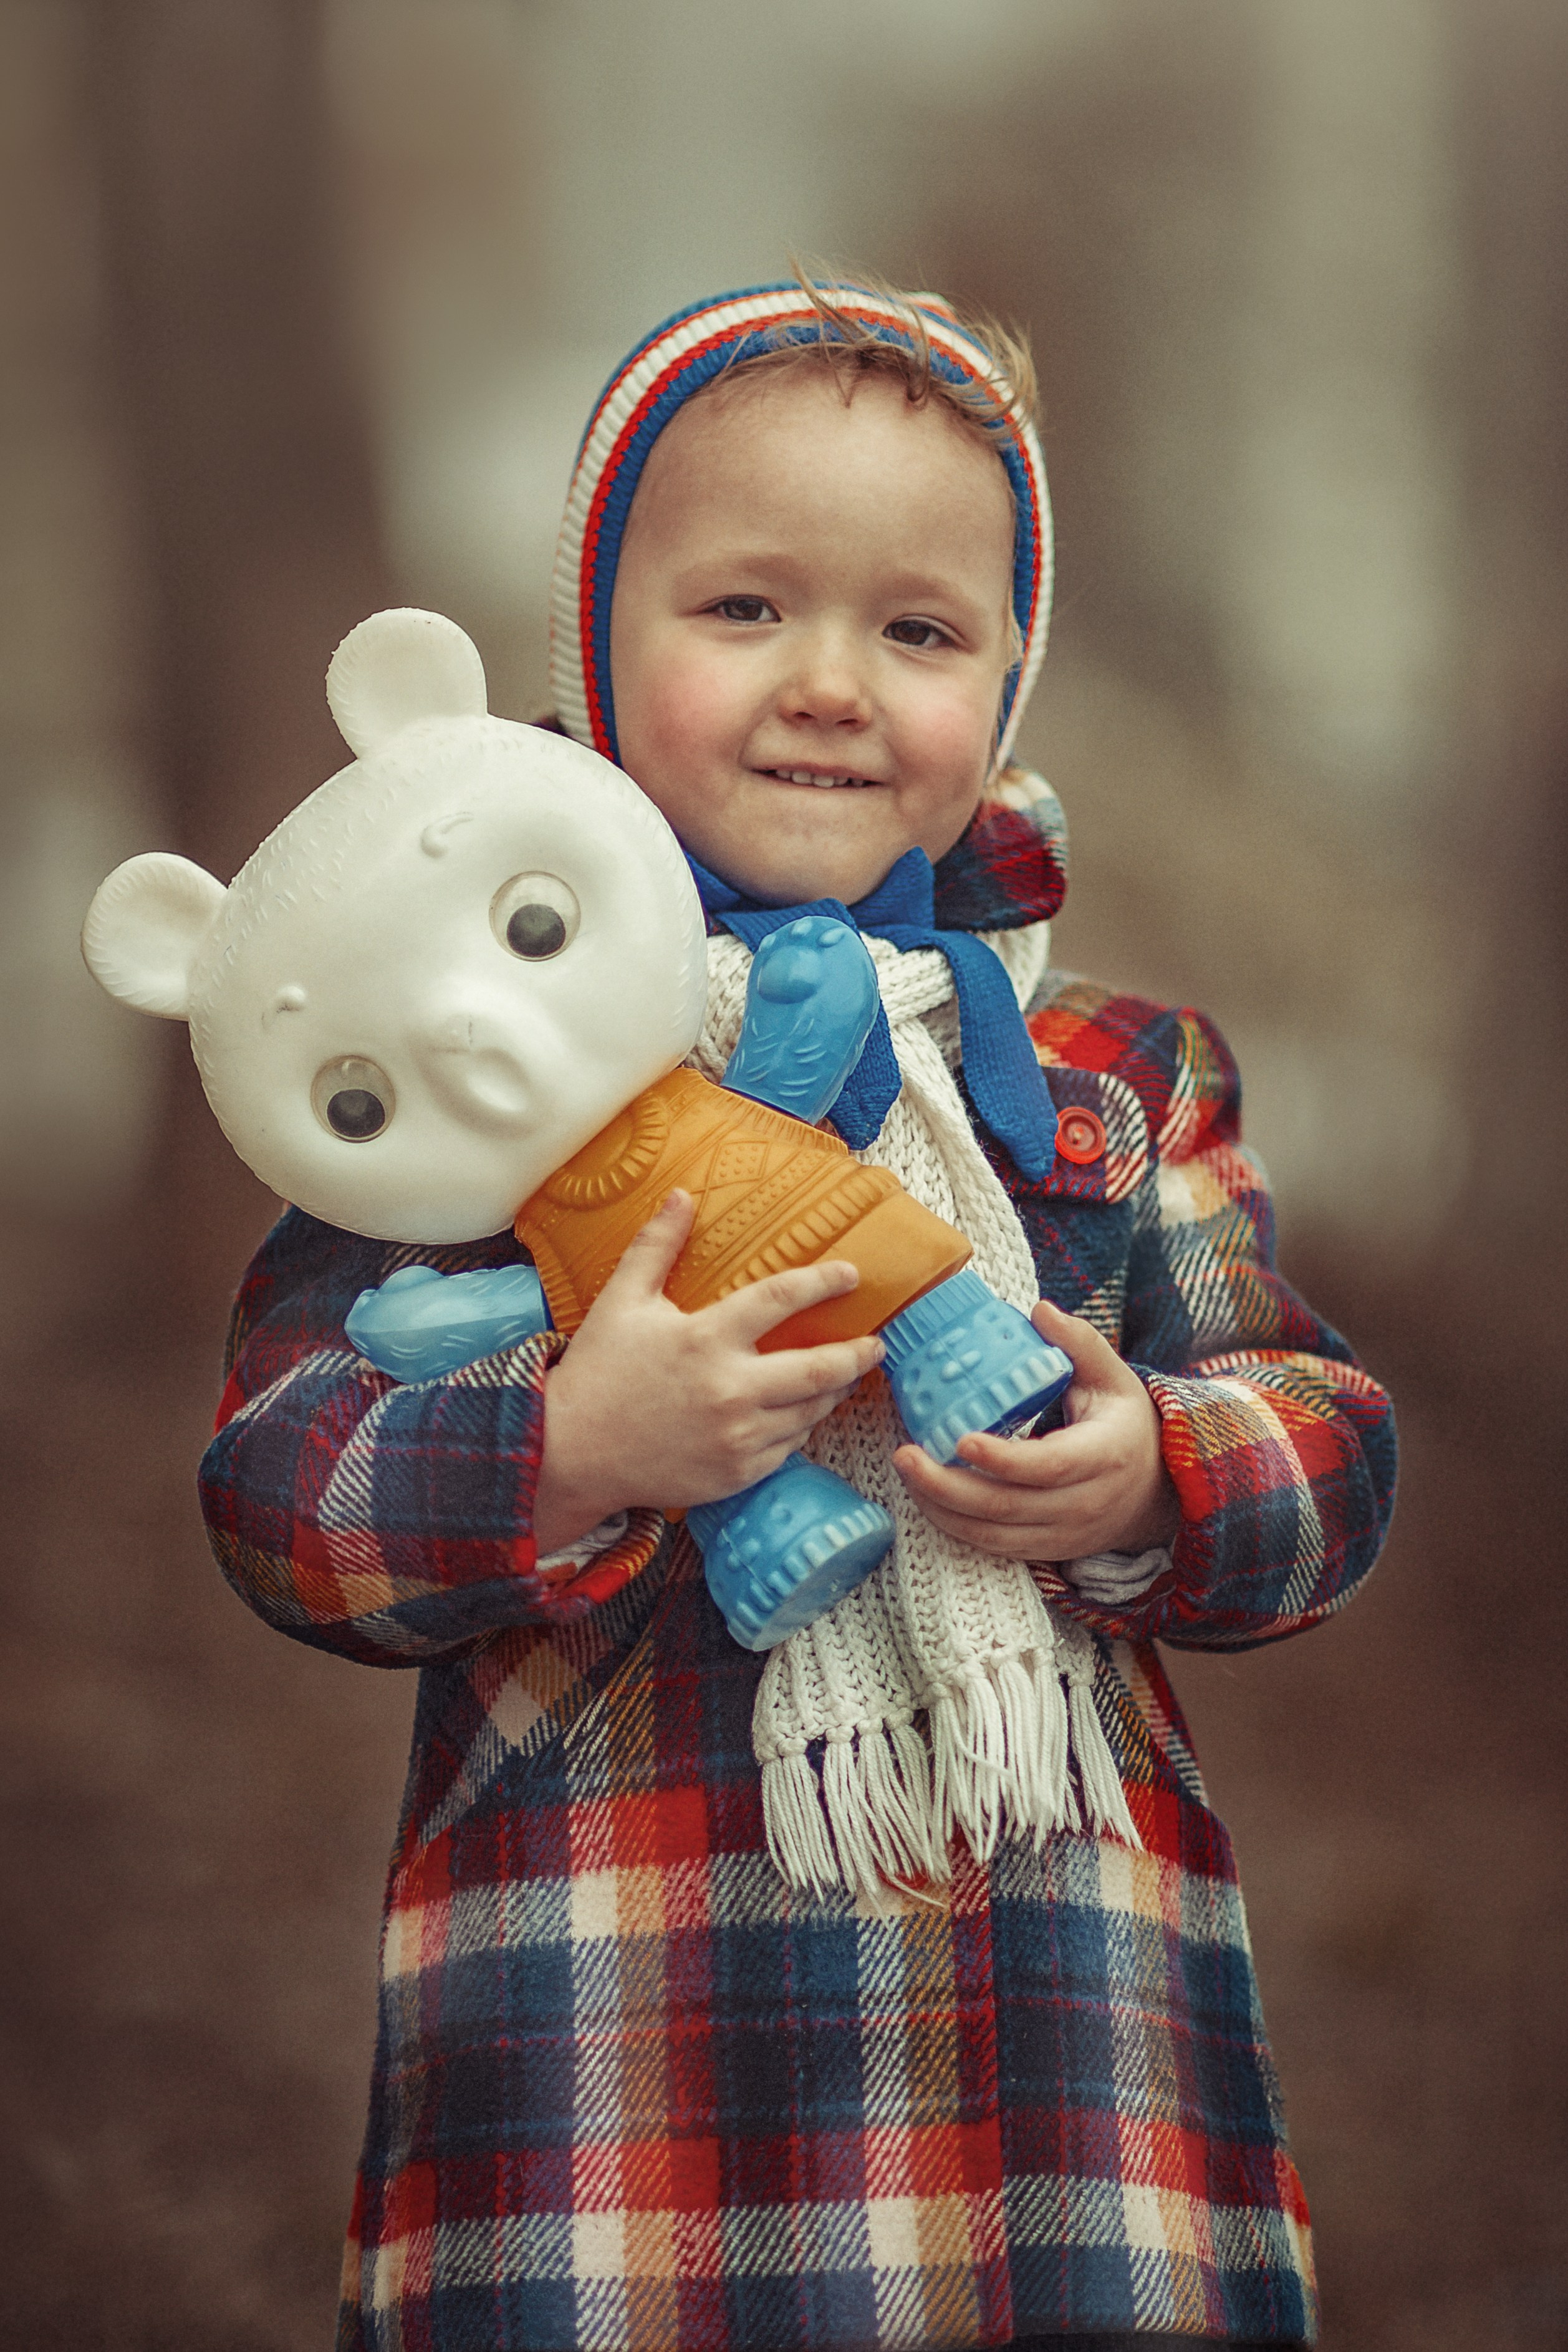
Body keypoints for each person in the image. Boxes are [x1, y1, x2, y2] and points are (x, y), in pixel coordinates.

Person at [200, 277, 1397, 2352]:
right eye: (744, 609)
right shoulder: (474, 1053)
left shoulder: (1110, 1067)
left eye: (917, 631)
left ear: (1005, 686)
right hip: (608, 2029)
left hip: (1061, 2038)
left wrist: (1156, 1468)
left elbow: (1327, 1445)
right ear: (596, 649)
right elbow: (281, 1490)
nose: (830, 684)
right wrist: (567, 1443)